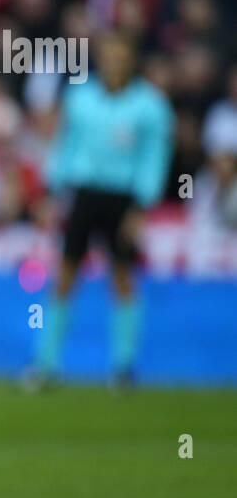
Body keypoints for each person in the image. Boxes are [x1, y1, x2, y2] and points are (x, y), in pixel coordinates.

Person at [30, 31, 174, 390]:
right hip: (84, 193)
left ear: (131, 60)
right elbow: (65, 146)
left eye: (119, 55)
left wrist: (142, 206)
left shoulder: (151, 106)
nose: (112, 62)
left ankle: (123, 367)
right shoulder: (80, 98)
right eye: (107, 55)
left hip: (123, 197)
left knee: (122, 278)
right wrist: (52, 191)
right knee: (64, 275)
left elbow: (153, 159)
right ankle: (45, 365)